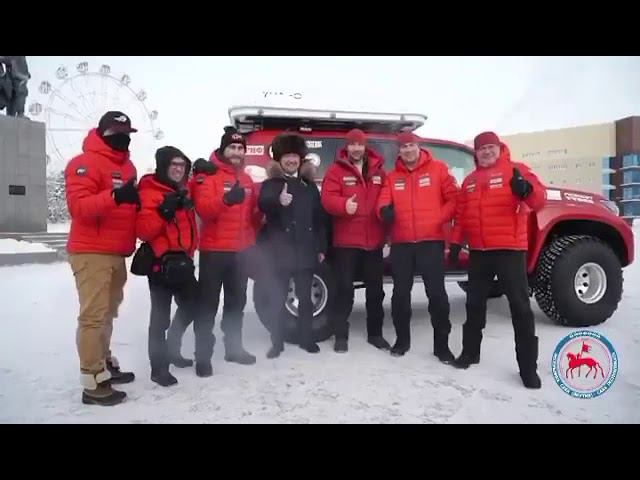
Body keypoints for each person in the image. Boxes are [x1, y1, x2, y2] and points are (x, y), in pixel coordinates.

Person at [448, 131, 546, 389]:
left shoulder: (516, 170)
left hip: (510, 251)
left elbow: (539, 200)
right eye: (481, 149)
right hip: (480, 253)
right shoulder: (469, 181)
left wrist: (525, 190)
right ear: (476, 153)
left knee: (521, 309)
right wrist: (456, 243)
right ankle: (470, 353)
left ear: (499, 148)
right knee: (474, 305)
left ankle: (528, 369)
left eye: (490, 147)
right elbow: (462, 216)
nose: (486, 152)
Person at [65, 111, 140, 406]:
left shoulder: (128, 166)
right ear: (101, 132)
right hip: (91, 251)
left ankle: (104, 362)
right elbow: (79, 207)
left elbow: (129, 209)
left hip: (116, 252)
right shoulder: (83, 164)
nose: (122, 138)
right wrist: (116, 197)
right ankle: (92, 380)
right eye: (115, 133)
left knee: (108, 312)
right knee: (93, 316)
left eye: (126, 132)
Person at [376, 132, 459, 360]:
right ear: (399, 151)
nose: (408, 150)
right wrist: (384, 211)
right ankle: (402, 341)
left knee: (437, 295)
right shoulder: (392, 177)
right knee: (400, 295)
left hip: (430, 242)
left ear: (418, 146)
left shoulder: (439, 169)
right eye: (403, 148)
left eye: (411, 146)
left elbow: (454, 199)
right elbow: (382, 200)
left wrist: (437, 218)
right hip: (402, 245)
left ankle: (441, 346)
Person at [190, 127, 262, 377]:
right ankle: (202, 356)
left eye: (241, 148)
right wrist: (227, 200)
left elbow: (253, 216)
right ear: (223, 149)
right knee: (208, 305)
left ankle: (233, 348)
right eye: (232, 147)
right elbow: (203, 209)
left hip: (240, 254)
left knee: (236, 303)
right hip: (214, 251)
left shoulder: (248, 179)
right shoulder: (208, 176)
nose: (236, 152)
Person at [258, 133, 327, 358]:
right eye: (286, 156)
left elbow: (319, 221)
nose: (291, 160)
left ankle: (306, 338)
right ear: (279, 159)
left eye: (295, 156)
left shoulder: (309, 187)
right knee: (277, 298)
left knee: (305, 298)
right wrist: (278, 201)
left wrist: (321, 248)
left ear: (300, 159)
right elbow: (263, 204)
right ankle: (276, 342)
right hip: (280, 252)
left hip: (306, 250)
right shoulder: (271, 184)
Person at [321, 129, 389, 353]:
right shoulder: (335, 170)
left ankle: (375, 334)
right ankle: (341, 335)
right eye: (352, 145)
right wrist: (343, 206)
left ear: (365, 146)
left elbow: (387, 200)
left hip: (374, 241)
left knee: (376, 291)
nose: (356, 149)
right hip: (347, 243)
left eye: (359, 144)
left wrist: (387, 236)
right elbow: (327, 199)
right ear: (346, 147)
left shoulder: (379, 171)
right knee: (343, 290)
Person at [136, 146, 199, 387]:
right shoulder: (150, 191)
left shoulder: (183, 190)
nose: (178, 169)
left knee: (194, 305)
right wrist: (163, 212)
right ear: (163, 166)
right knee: (160, 318)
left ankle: (173, 346)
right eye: (173, 164)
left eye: (182, 165)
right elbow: (143, 231)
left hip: (183, 262)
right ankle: (158, 367)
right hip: (160, 265)